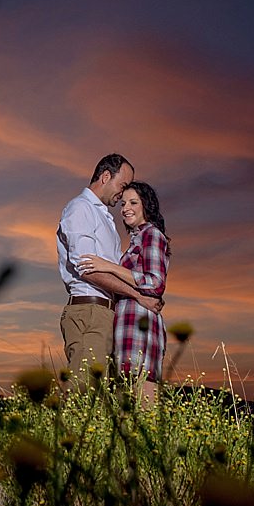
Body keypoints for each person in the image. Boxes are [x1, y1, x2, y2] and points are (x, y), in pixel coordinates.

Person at [56, 154, 161, 384]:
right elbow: (87, 269)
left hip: (107, 314)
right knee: (84, 391)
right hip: (89, 311)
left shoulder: (105, 218)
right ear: (105, 177)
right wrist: (137, 295)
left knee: (102, 398)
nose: (122, 194)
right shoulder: (81, 209)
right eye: (122, 186)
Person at [78, 181, 170, 404]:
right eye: (123, 203)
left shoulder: (152, 234)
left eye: (133, 202)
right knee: (126, 400)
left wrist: (108, 266)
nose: (126, 208)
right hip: (127, 322)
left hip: (141, 323)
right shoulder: (136, 239)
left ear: (146, 206)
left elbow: (156, 282)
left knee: (143, 396)